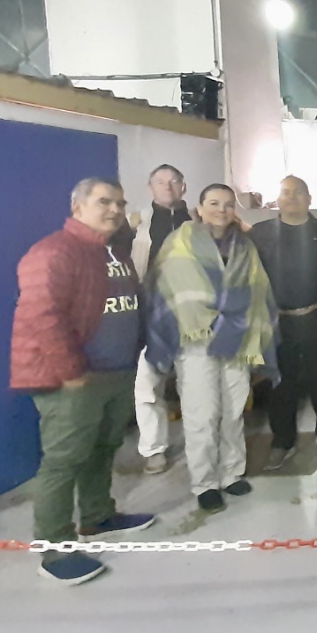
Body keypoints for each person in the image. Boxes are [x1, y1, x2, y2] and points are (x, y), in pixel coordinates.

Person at [10, 178, 156, 586]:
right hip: (74, 380)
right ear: (77, 207)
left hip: (115, 372)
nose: (114, 209)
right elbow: (43, 316)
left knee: (103, 447)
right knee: (64, 460)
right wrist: (71, 372)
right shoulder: (54, 252)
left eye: (120, 203)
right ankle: (55, 547)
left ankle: (97, 516)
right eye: (104, 202)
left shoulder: (113, 251)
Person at [146, 184, 277, 514]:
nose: (221, 209)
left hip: (237, 336)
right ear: (200, 208)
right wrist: (211, 316)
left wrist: (234, 319)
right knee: (201, 414)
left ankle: (232, 473)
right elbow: (170, 287)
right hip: (196, 340)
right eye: (214, 203)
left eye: (228, 204)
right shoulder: (179, 242)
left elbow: (257, 287)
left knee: (233, 410)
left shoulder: (245, 246)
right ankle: (205, 482)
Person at [250, 176, 317, 469]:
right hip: (277, 321)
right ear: (278, 198)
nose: (291, 198)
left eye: (298, 193)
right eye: (285, 192)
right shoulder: (260, 233)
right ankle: (282, 440)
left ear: (309, 199)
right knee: (282, 382)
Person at [126, 163, 192, 474]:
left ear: (184, 187)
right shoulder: (136, 226)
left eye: (174, 181)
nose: (167, 187)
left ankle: (200, 443)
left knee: (195, 386)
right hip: (151, 317)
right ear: (151, 187)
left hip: (193, 317)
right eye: (160, 181)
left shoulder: (199, 221)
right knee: (147, 387)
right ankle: (153, 448)